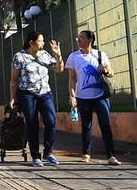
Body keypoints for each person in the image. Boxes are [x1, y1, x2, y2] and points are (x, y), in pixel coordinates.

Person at [9, 30, 63, 167]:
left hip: (45, 93)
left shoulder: (44, 55)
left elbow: (59, 69)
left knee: (51, 121)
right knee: (32, 123)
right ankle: (35, 155)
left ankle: (48, 153)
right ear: (31, 42)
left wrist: (58, 55)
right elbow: (14, 80)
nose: (43, 43)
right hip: (27, 93)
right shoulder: (19, 57)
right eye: (40, 40)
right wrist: (12, 98)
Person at [67, 30, 119, 165]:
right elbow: (72, 78)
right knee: (86, 125)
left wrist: (105, 70)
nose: (78, 40)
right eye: (78, 38)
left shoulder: (100, 55)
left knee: (105, 125)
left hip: (100, 96)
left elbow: (111, 72)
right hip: (82, 96)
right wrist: (72, 95)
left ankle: (111, 155)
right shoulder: (74, 56)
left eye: (82, 38)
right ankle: (86, 153)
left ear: (90, 40)